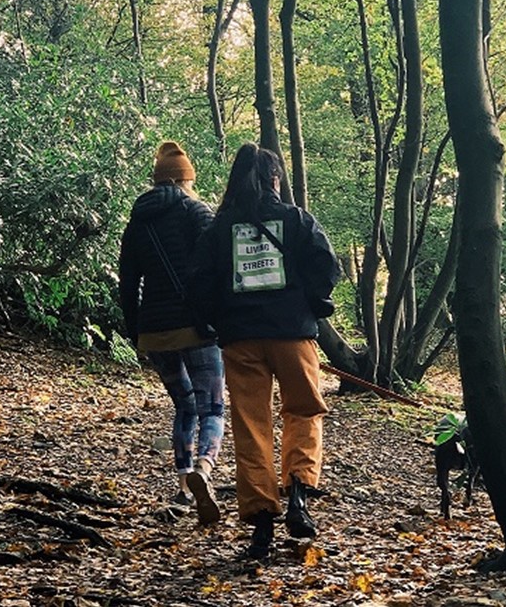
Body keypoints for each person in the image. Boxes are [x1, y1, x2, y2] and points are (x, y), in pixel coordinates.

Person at [189, 142, 340, 559]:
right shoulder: (295, 220)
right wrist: (312, 299)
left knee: (251, 424)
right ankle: (298, 494)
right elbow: (327, 266)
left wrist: (214, 320)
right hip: (293, 334)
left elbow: (199, 283)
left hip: (240, 340)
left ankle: (260, 522)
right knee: (304, 411)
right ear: (275, 179)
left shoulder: (220, 229)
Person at [118, 141, 224, 526]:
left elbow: (128, 284)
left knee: (184, 406)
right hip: (197, 328)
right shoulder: (198, 213)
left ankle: (182, 488)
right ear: (186, 180)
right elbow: (217, 269)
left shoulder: (137, 223)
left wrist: (136, 332)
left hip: (155, 330)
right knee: (212, 406)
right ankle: (204, 467)